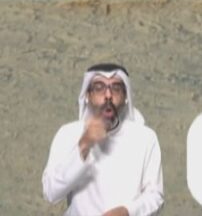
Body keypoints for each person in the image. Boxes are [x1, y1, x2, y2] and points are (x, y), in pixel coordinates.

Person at [43, 62, 164, 215]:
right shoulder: (68, 133)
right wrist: (84, 144)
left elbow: (155, 197)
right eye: (99, 88)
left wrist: (127, 211)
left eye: (116, 88)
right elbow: (51, 192)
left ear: (125, 97)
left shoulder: (145, 138)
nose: (108, 95)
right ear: (88, 95)